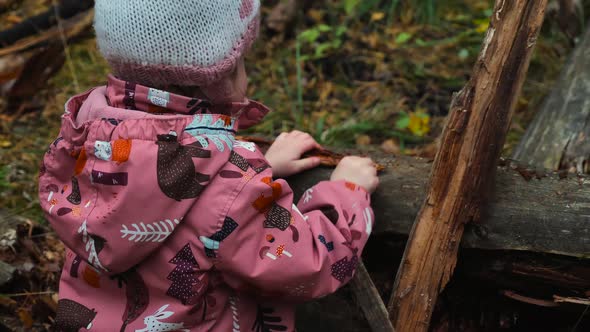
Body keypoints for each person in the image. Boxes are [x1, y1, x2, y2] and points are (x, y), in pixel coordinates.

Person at [38, 0, 379, 330]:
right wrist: (347, 192)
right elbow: (308, 265)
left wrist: (256, 169)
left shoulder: (89, 144)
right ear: (222, 78)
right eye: (244, 63)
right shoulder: (228, 192)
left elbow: (171, 189)